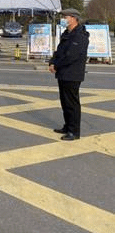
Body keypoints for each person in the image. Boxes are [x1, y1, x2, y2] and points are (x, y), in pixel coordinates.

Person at [49, 8, 89, 141]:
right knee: (65, 102)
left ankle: (74, 131)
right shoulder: (67, 33)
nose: (63, 19)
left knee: (72, 103)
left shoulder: (80, 35)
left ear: (73, 18)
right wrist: (52, 62)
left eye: (65, 17)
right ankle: (67, 126)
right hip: (63, 73)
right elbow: (59, 51)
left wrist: (57, 65)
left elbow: (71, 56)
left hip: (73, 73)